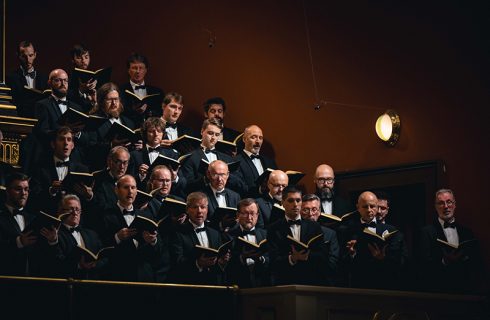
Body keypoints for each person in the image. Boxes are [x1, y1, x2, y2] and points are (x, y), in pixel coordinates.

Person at [419, 189, 484, 294]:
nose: (445, 206)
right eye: (441, 203)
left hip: (466, 290)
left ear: (454, 205)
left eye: (449, 202)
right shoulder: (426, 232)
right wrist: (444, 261)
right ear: (435, 207)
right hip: (439, 290)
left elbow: (477, 262)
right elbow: (422, 265)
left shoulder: (467, 232)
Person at [101, 174, 162, 282]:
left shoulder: (146, 215)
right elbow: (100, 245)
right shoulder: (105, 214)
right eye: (126, 187)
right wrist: (117, 237)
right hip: (118, 275)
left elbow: (159, 249)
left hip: (145, 276)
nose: (130, 191)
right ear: (116, 190)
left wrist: (153, 240)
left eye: (133, 188)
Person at [341, 191, 406, 289]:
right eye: (365, 207)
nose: (369, 210)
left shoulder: (391, 230)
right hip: (357, 284)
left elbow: (399, 261)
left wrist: (382, 258)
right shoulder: (347, 230)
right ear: (358, 207)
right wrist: (351, 254)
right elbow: (340, 263)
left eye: (372, 206)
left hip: (383, 283)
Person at [268, 186, 327, 285]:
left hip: (311, 281)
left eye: (298, 200)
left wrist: (307, 256)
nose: (295, 204)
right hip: (286, 282)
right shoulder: (274, 228)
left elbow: (323, 255)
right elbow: (273, 260)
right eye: (290, 201)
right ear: (282, 202)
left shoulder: (314, 226)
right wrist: (292, 258)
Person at [169, 192, 230, 285]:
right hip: (190, 287)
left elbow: (218, 266)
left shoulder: (215, 234)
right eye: (195, 207)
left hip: (214, 287)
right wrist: (198, 263)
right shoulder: (177, 233)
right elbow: (176, 263)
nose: (199, 211)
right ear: (187, 210)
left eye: (203, 207)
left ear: (207, 209)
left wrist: (222, 262)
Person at [31, 127, 90, 214]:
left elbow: (87, 205)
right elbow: (33, 197)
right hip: (49, 218)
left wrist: (89, 196)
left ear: (72, 145)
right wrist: (51, 190)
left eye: (69, 140)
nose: (66, 143)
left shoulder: (82, 170)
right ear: (53, 144)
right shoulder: (40, 168)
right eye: (62, 139)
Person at [47, 194, 107, 279]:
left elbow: (104, 257)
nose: (75, 213)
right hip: (67, 286)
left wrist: (95, 264)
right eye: (71, 210)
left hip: (92, 285)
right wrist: (78, 265)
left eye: (77, 210)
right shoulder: (54, 235)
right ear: (61, 212)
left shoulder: (92, 234)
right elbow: (54, 263)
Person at [87, 82, 138, 170]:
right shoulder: (93, 121)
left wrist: (137, 146)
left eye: (116, 99)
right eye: (109, 100)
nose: (114, 103)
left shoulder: (129, 122)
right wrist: (111, 145)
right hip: (103, 167)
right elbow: (90, 147)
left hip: (127, 169)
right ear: (101, 101)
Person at [0, 173, 39, 276]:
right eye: (18, 189)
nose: (23, 193)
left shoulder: (34, 219)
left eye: (26, 189)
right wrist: (18, 242)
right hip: (6, 278)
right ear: (7, 191)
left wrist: (52, 240)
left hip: (32, 280)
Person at [226, 198, 270, 288]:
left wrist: (262, 259)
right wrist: (242, 258)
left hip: (263, 284)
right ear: (238, 215)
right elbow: (227, 266)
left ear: (257, 215)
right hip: (238, 285)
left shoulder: (266, 235)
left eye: (253, 213)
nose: (249, 218)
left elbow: (272, 259)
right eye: (245, 213)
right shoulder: (228, 236)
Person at [181, 118, 234, 192]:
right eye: (210, 133)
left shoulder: (227, 159)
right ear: (202, 131)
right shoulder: (190, 157)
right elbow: (187, 186)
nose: (213, 138)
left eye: (217, 135)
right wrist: (206, 178)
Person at [128, 117, 179, 188]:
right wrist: (140, 176)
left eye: (159, 131)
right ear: (145, 134)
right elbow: (128, 181)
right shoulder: (134, 155)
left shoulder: (172, 155)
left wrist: (175, 177)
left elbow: (183, 182)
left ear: (163, 134)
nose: (156, 134)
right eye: (151, 131)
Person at [301, 194, 339, 286]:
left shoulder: (330, 234)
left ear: (320, 212)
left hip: (324, 282)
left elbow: (333, 263)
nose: (310, 214)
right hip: (300, 282)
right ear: (300, 212)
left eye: (314, 209)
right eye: (306, 210)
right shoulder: (294, 231)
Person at [6, 40, 48, 118]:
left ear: (35, 55)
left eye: (31, 55)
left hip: (40, 120)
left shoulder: (44, 77)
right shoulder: (11, 78)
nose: (28, 60)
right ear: (18, 55)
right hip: (21, 118)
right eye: (24, 56)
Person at [120, 53, 164, 126]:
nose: (138, 71)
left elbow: (161, 114)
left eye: (141, 68)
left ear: (146, 70)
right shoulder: (120, 90)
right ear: (128, 70)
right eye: (134, 68)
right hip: (129, 131)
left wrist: (148, 112)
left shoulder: (158, 92)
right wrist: (133, 111)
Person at [235, 125, 278, 198]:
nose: (258, 141)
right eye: (253, 137)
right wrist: (260, 189)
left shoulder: (270, 162)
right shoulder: (236, 161)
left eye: (260, 138)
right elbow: (239, 187)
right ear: (244, 139)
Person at [200, 160, 240, 231]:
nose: (220, 179)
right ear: (208, 174)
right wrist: (221, 225)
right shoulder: (200, 196)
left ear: (227, 175)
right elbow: (200, 223)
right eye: (215, 174)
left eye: (223, 174)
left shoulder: (235, 196)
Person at [67, 44, 97, 112]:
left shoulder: (94, 77)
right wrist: (81, 91)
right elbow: (66, 98)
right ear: (73, 60)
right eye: (79, 58)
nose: (83, 61)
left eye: (86, 57)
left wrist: (94, 101)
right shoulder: (67, 77)